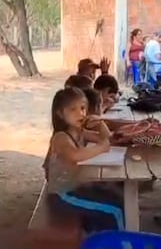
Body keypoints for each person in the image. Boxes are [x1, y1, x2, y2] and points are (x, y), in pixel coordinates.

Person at [45, 87, 124, 232]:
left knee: (119, 198)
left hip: (77, 187)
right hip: (62, 195)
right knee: (114, 211)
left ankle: (101, 238)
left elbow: (107, 139)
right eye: (73, 109)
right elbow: (75, 155)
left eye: (83, 108)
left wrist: (100, 123)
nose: (80, 113)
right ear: (60, 114)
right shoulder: (61, 137)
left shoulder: (80, 132)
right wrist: (101, 148)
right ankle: (121, 243)